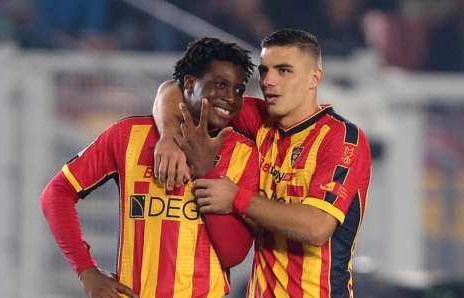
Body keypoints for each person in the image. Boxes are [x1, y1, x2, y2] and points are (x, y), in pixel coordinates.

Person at [152, 28, 372, 297]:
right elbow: (174, 89)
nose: (268, 80)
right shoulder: (261, 122)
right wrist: (168, 136)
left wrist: (236, 198)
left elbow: (317, 228)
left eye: (283, 70)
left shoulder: (342, 138)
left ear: (314, 78)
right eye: (265, 70)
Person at [40, 37, 259, 298]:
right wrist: (86, 270)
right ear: (189, 84)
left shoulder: (244, 154)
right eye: (221, 84)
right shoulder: (128, 135)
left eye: (238, 89)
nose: (230, 98)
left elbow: (233, 254)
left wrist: (206, 171)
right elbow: (56, 192)